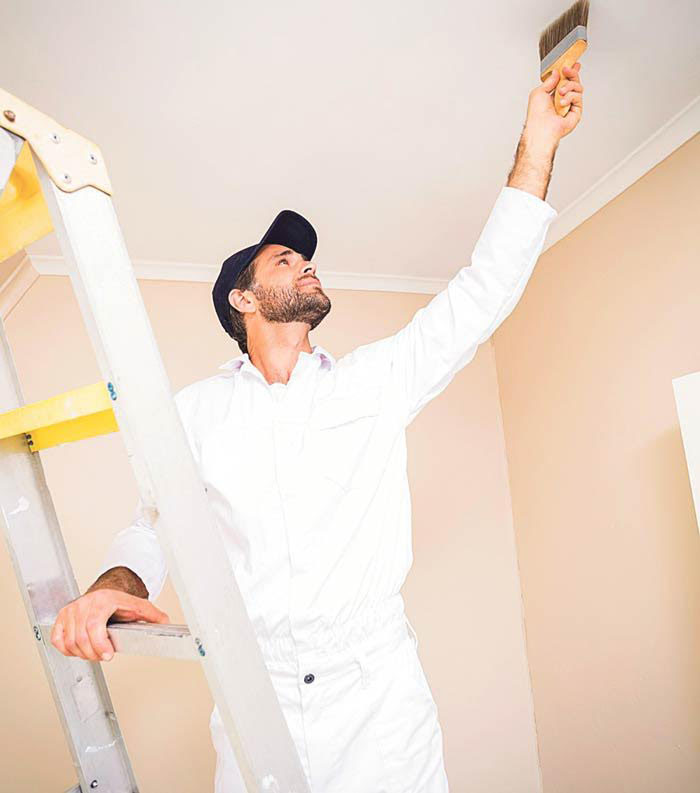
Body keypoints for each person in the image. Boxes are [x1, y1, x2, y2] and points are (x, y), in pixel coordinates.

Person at [50, 65, 584, 792]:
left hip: (379, 699)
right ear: (243, 299)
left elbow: (483, 290)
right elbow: (152, 526)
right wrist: (110, 587)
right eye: (285, 260)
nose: (306, 267)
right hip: (256, 694)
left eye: (307, 259)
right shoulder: (194, 412)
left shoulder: (374, 381)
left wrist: (539, 140)